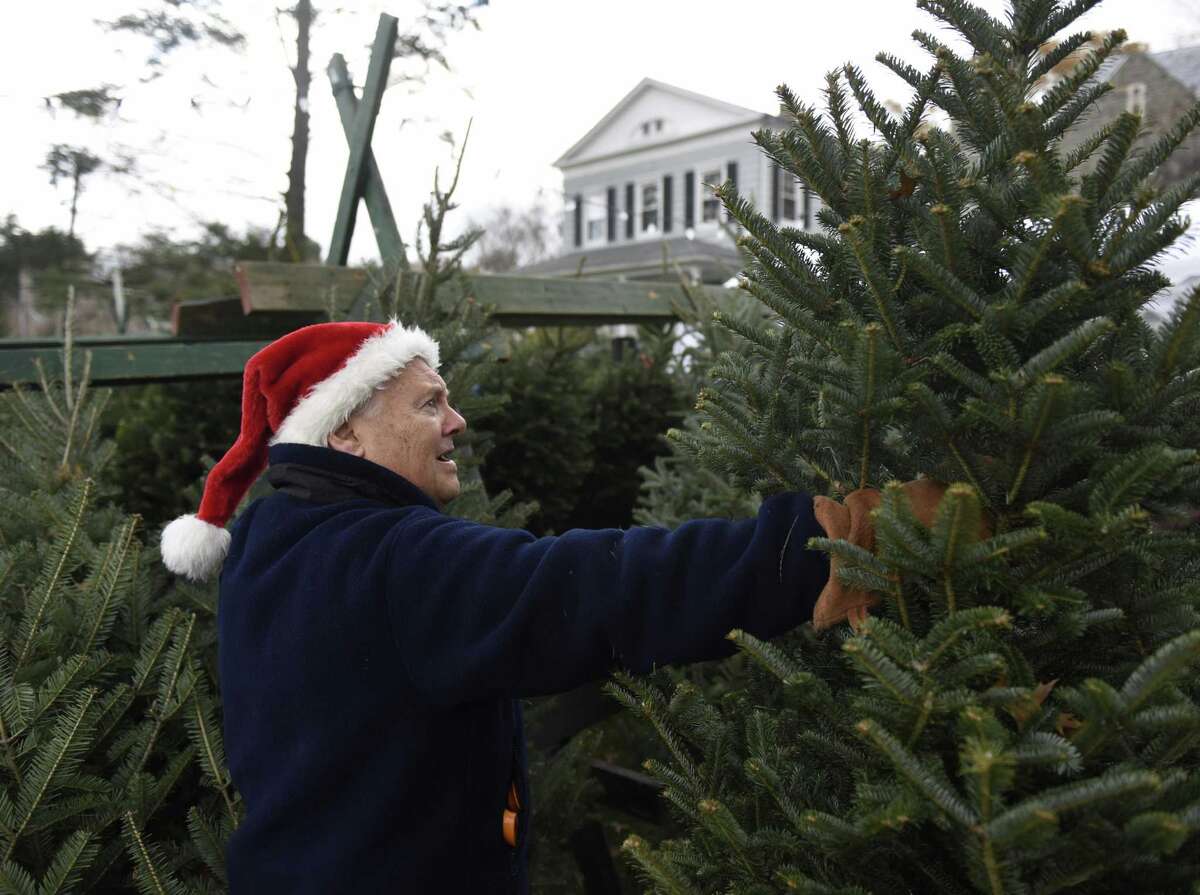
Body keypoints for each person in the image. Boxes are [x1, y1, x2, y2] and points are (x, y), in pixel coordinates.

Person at [160, 319, 902, 894]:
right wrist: (819, 546)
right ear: (345, 430)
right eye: (429, 403)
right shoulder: (393, 559)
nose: (457, 421)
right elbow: (595, 587)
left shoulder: (272, 538)